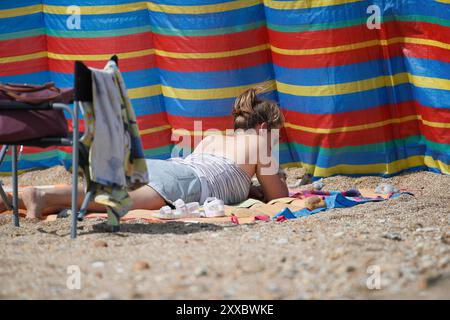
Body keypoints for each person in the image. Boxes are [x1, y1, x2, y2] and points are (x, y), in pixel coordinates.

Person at [0, 87, 288, 218]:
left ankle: (11, 199)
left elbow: (224, 175)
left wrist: (247, 189)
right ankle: (43, 195)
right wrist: (275, 179)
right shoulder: (261, 142)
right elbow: (278, 197)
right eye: (276, 133)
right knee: (111, 203)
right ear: (264, 127)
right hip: (184, 184)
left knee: (97, 195)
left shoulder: (212, 140)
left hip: (167, 169)